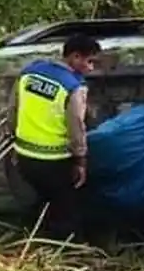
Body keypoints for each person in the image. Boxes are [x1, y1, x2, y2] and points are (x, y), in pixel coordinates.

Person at [7, 34, 101, 241]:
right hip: (54, 162)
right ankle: (68, 252)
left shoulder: (29, 73)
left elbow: (13, 111)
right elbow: (76, 127)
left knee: (44, 200)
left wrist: (14, 143)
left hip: (24, 158)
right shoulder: (74, 87)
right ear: (75, 57)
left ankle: (38, 240)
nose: (91, 68)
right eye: (89, 61)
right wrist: (81, 161)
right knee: (68, 210)